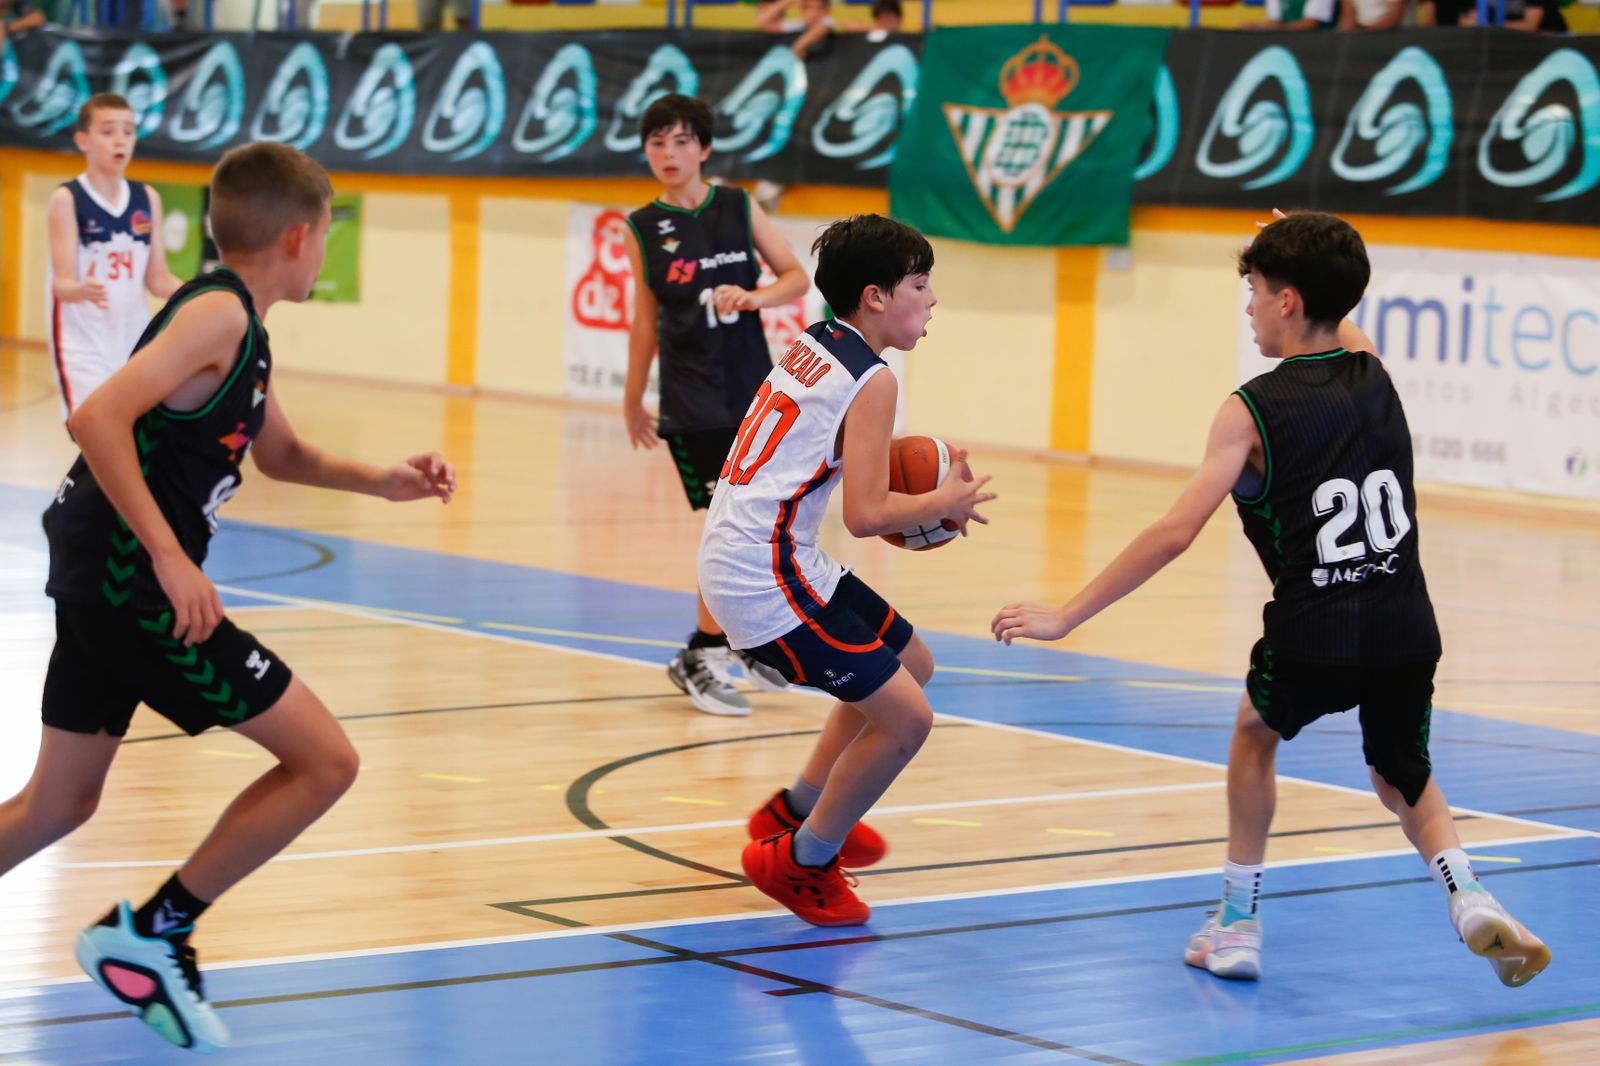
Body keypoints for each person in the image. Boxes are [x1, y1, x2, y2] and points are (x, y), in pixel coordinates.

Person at [991, 211, 1550, 988]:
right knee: (1400, 772)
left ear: (1287, 300)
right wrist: (1311, 252)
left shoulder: (1248, 410)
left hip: (1314, 630)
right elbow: (1337, 314)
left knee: (1256, 732)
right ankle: (1468, 894)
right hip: (1407, 626)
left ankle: (1239, 922)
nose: (1248, 306)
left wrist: (1067, 615)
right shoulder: (1375, 373)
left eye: (1254, 290)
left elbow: (1175, 531)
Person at [3, 142, 457, 1054]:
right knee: (326, 763)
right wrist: (171, 556)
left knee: (57, 804)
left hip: (104, 575)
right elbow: (95, 417)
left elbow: (281, 454)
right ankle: (153, 934)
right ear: (297, 237)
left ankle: (150, 934)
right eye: (326, 234)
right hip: (134, 583)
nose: (325, 250)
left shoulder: (239, 321)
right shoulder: (215, 314)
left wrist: (384, 481)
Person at [700, 214, 996, 926]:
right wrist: (940, 501)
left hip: (766, 551)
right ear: (874, 296)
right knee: (907, 721)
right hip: (763, 573)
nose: (930, 301)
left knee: (912, 663)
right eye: (920, 286)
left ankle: (798, 808)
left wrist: (922, 503)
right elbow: (866, 514)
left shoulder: (820, 343)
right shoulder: (874, 379)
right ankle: (803, 861)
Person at [622, 93, 809, 717]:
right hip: (691, 396)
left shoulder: (736, 204)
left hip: (752, 389)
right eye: (656, 143)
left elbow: (794, 277)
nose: (668, 154)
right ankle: (701, 654)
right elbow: (644, 321)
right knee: (724, 526)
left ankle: (740, 637)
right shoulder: (642, 226)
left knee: (755, 522)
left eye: (680, 142)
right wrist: (632, 398)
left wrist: (753, 298)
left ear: (703, 148)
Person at [47, 93, 182, 426]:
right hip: (83, 343)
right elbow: (61, 285)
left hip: (134, 340)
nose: (120, 140)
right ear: (83, 141)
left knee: (134, 436)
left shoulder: (146, 197)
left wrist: (208, 294)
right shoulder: (67, 199)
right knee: (95, 433)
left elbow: (158, 279)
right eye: (108, 132)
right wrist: (81, 289)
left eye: (128, 131)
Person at [756, 0, 834, 59]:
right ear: (802, 10)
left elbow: (821, 28)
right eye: (809, 8)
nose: (815, 12)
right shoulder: (798, 25)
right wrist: (784, 3)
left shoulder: (828, 22)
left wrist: (798, 46)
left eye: (819, 8)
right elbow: (764, 22)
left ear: (827, 9)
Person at [1241, 0, 1337, 30]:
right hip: (1289, 43)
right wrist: (1257, 26)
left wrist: (1278, 27)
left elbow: (1310, 24)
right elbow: (1274, 21)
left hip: (1319, 46)